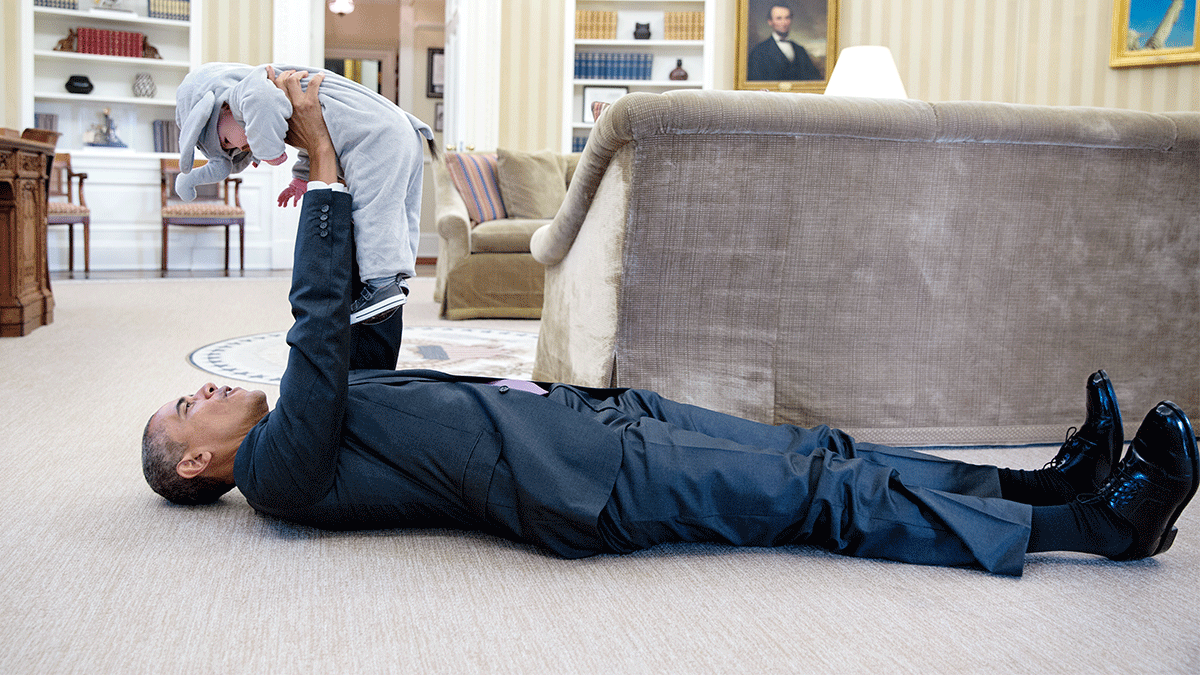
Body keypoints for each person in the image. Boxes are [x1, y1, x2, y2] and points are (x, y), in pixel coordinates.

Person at [142, 69, 1199, 578]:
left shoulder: (312, 426)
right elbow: (319, 330)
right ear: (199, 470)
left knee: (820, 449)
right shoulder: (280, 472)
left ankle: (1044, 484)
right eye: (183, 412)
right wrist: (318, 158)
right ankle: (1097, 528)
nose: (199, 394)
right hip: (586, 485)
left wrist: (335, 176)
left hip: (590, 422)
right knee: (816, 496)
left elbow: (364, 302)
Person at [173, 62, 437, 324]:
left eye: (227, 141)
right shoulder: (281, 95)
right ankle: (397, 280)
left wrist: (270, 152)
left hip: (375, 136)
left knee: (374, 210)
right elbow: (321, 128)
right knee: (399, 210)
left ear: (224, 107)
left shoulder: (252, 90)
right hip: (396, 129)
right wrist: (300, 179)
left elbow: (265, 103)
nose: (239, 147)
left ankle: (382, 283)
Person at [747, 3, 823, 81]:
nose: (784, 23)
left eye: (787, 18)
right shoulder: (759, 52)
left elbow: (814, 79)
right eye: (779, 18)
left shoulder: (800, 50)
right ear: (770, 22)